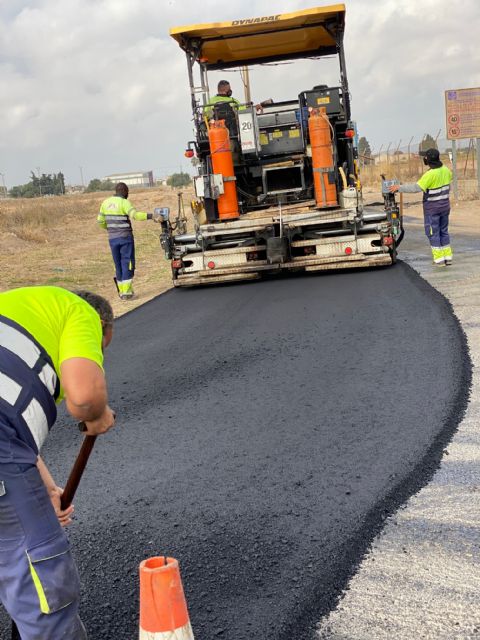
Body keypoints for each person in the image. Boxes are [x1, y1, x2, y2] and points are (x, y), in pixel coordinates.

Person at [0, 286, 116, 639]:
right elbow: (84, 398)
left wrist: (48, 488)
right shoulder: (78, 311)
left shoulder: (19, 310)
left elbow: (13, 434)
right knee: (42, 579)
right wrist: (97, 414)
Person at [97, 182, 164, 300]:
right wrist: (152, 216)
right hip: (125, 238)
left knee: (118, 265)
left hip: (112, 239)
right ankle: (127, 293)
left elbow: (100, 221)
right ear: (125, 191)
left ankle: (122, 292)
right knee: (127, 263)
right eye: (127, 192)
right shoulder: (124, 202)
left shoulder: (105, 203)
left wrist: (110, 229)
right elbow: (136, 215)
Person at [389, 148, 453, 265]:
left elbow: (416, 188)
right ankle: (448, 258)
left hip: (433, 209)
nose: (424, 159)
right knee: (443, 231)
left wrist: (399, 188)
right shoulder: (446, 170)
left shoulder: (430, 174)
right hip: (445, 207)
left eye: (425, 157)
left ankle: (439, 260)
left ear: (428, 159)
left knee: (433, 232)